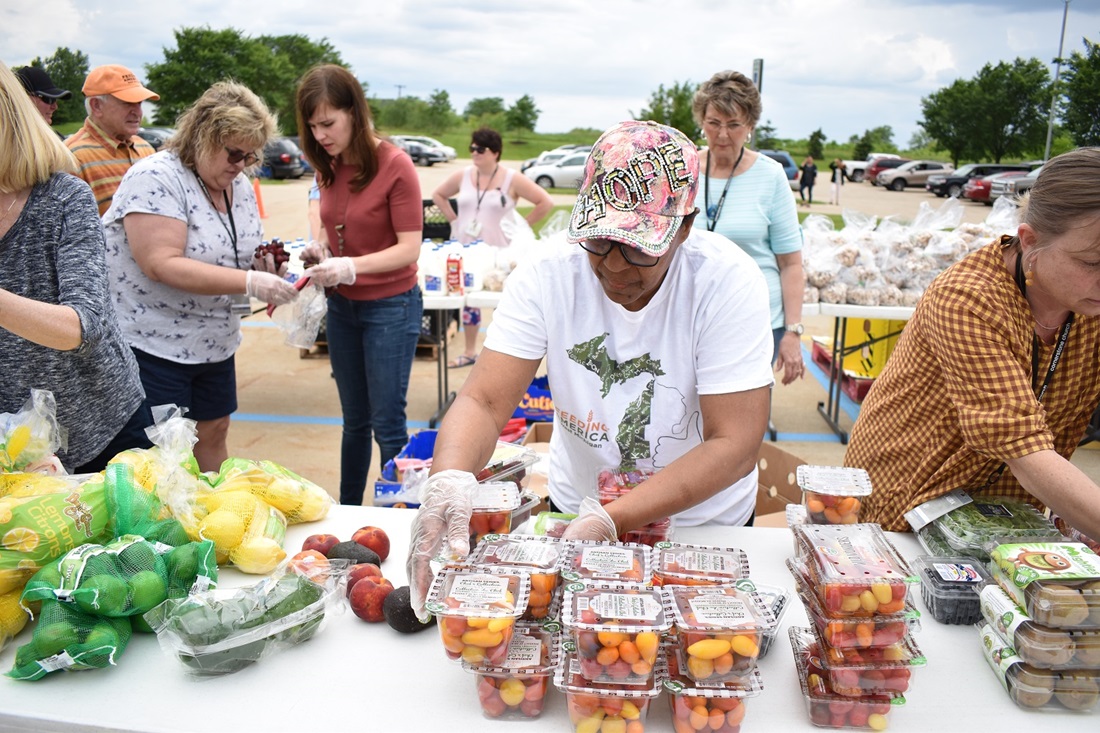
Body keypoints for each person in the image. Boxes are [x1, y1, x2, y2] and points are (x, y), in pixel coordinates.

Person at [407, 120, 774, 619]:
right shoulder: (547, 273)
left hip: (702, 527)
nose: (615, 266)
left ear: (684, 228)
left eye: (639, 245)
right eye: (599, 240)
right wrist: (449, 479)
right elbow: (483, 401)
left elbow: (735, 442)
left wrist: (612, 518)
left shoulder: (724, 282)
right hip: (575, 507)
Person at [845, 147, 1100, 542]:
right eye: (1092, 263)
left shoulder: (1088, 306)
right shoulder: (969, 299)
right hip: (909, 502)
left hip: (1003, 515)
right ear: (1029, 241)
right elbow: (1025, 452)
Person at [103, 81, 296, 473]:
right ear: (203, 135)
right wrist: (248, 283)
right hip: (151, 345)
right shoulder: (155, 177)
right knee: (159, 453)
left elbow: (234, 255)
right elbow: (161, 262)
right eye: (234, 153)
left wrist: (263, 271)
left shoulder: (236, 185)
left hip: (213, 343)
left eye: (250, 156)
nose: (241, 164)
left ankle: (212, 515)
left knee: (213, 432)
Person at [0, 61, 153, 473]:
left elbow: (81, 327)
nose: (137, 112)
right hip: (15, 442)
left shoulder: (63, 197)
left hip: (102, 423)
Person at [295, 64, 424, 506]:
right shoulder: (327, 167)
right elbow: (337, 231)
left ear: (355, 112)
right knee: (354, 421)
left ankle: (402, 513)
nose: (322, 134)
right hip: (344, 307)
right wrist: (324, 255)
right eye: (313, 126)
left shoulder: (395, 165)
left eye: (328, 123)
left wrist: (351, 267)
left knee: (387, 422)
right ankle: (348, 512)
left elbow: (410, 248)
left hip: (391, 306)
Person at [691, 70, 805, 386]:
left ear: (750, 126)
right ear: (702, 122)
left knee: (737, 410)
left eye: (733, 125)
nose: (723, 134)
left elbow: (791, 264)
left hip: (754, 318)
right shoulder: (683, 171)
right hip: (690, 314)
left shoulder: (770, 176)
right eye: (713, 123)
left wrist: (793, 332)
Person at [431, 126, 554, 367]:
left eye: (480, 148)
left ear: (495, 152)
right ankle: (469, 350)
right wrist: (454, 220)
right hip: (467, 248)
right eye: (472, 147)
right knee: (469, 299)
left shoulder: (511, 178)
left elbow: (545, 202)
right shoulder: (463, 175)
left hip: (500, 252)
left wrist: (521, 226)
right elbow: (438, 195)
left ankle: (502, 357)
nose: (475, 152)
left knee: (502, 302)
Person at [66, 64, 159, 214]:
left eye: (139, 103)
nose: (137, 112)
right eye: (128, 103)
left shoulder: (146, 149)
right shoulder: (71, 157)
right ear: (96, 106)